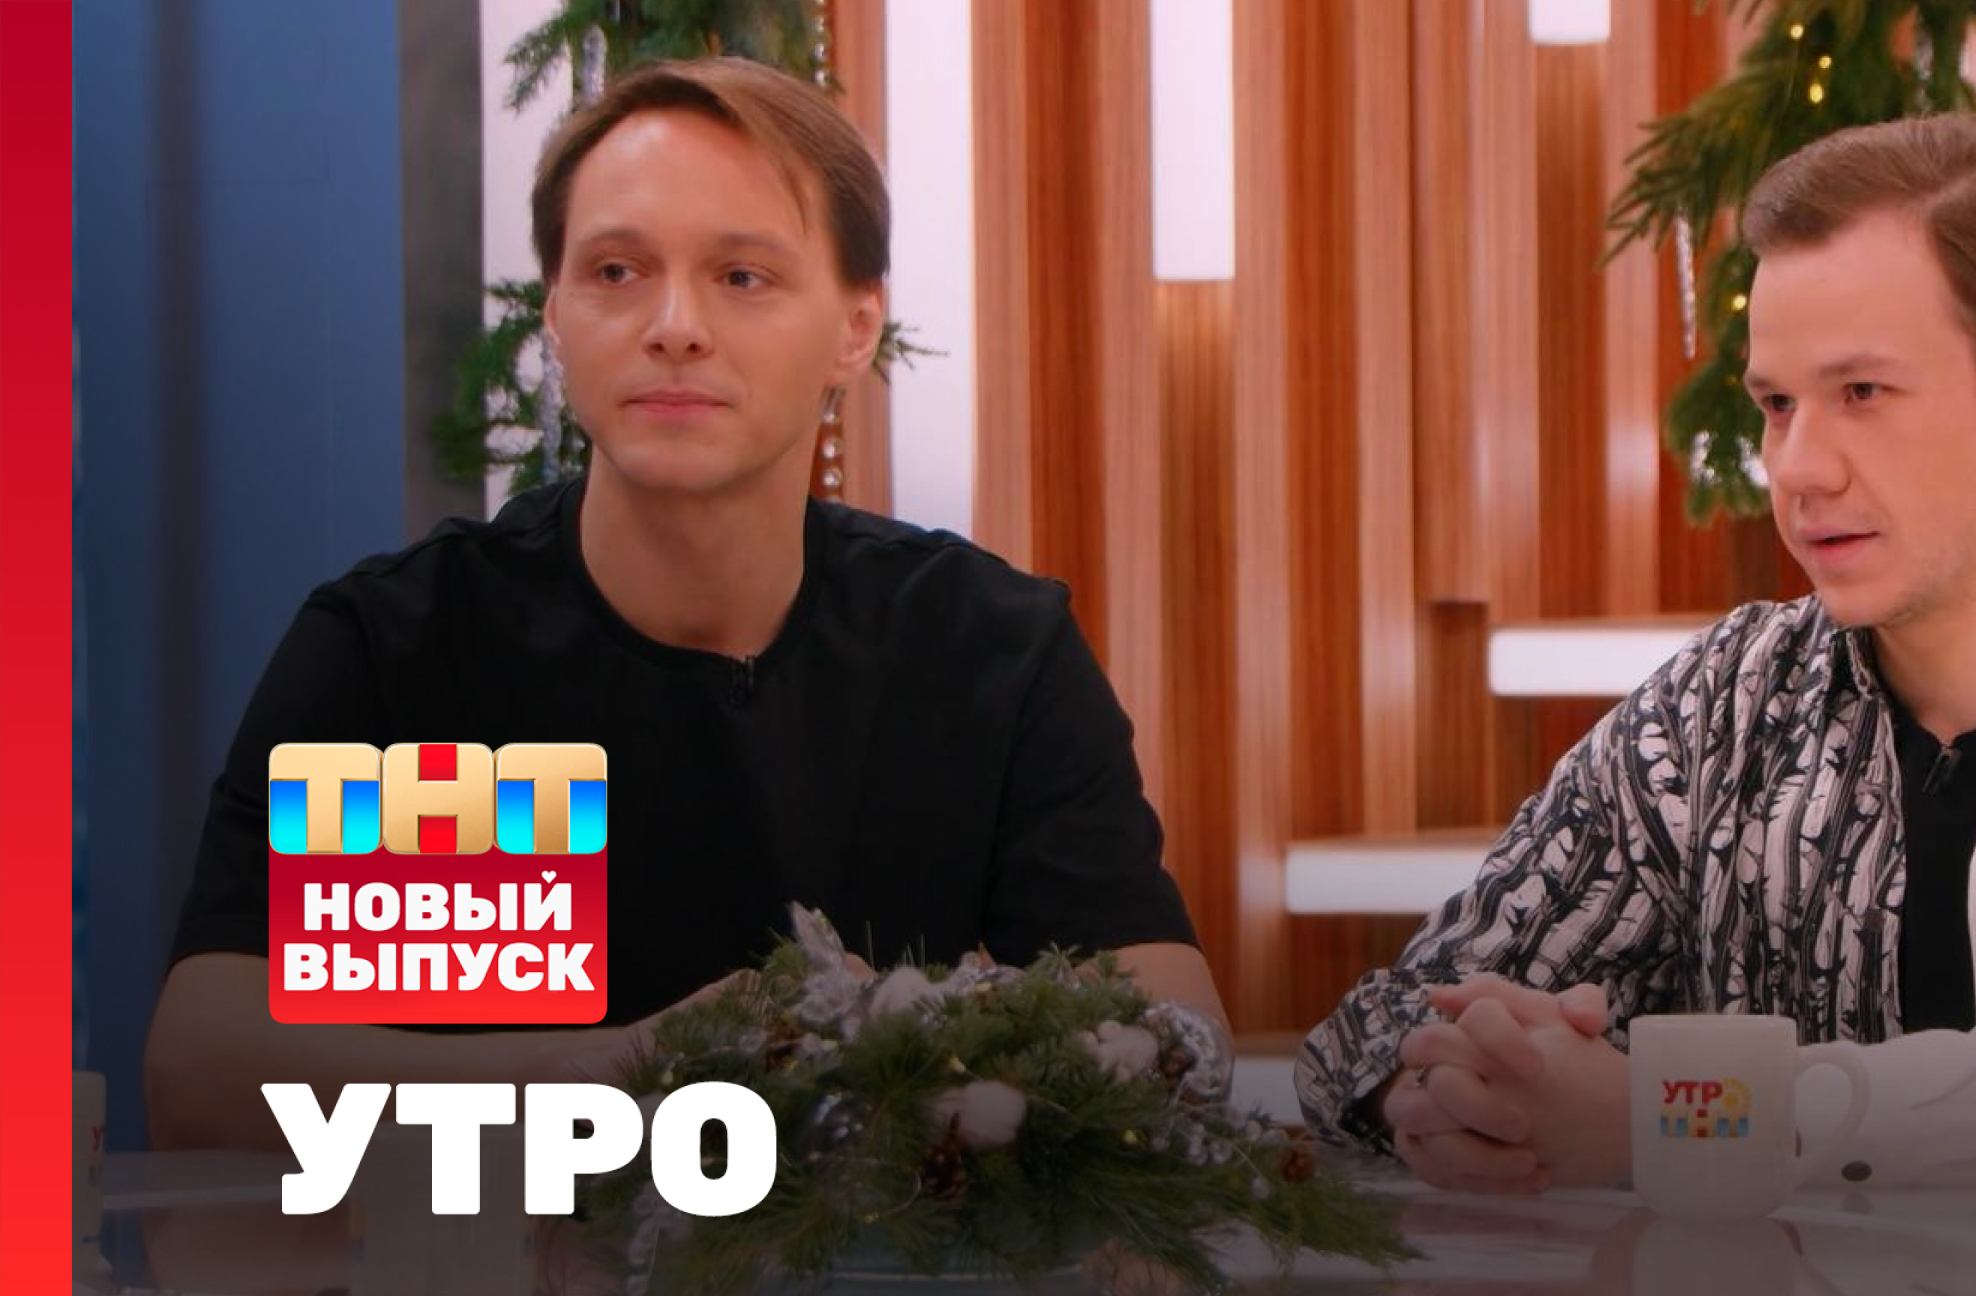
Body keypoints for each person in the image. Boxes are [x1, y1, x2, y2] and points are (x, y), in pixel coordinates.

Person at [147, 58, 1224, 1150]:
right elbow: (205, 1078)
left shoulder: (982, 650)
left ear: (856, 327)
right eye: (616, 271)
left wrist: (911, 1050)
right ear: (555, 315)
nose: (674, 326)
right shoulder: (415, 649)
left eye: (742, 277)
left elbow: (1176, 1045)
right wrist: (626, 1070)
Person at [1298, 114, 1976, 1197]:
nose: (1796, 467)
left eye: (1862, 393)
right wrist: (1452, 1090)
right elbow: (1386, 1026)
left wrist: (1682, 1121)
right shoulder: (1726, 706)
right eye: (1778, 404)